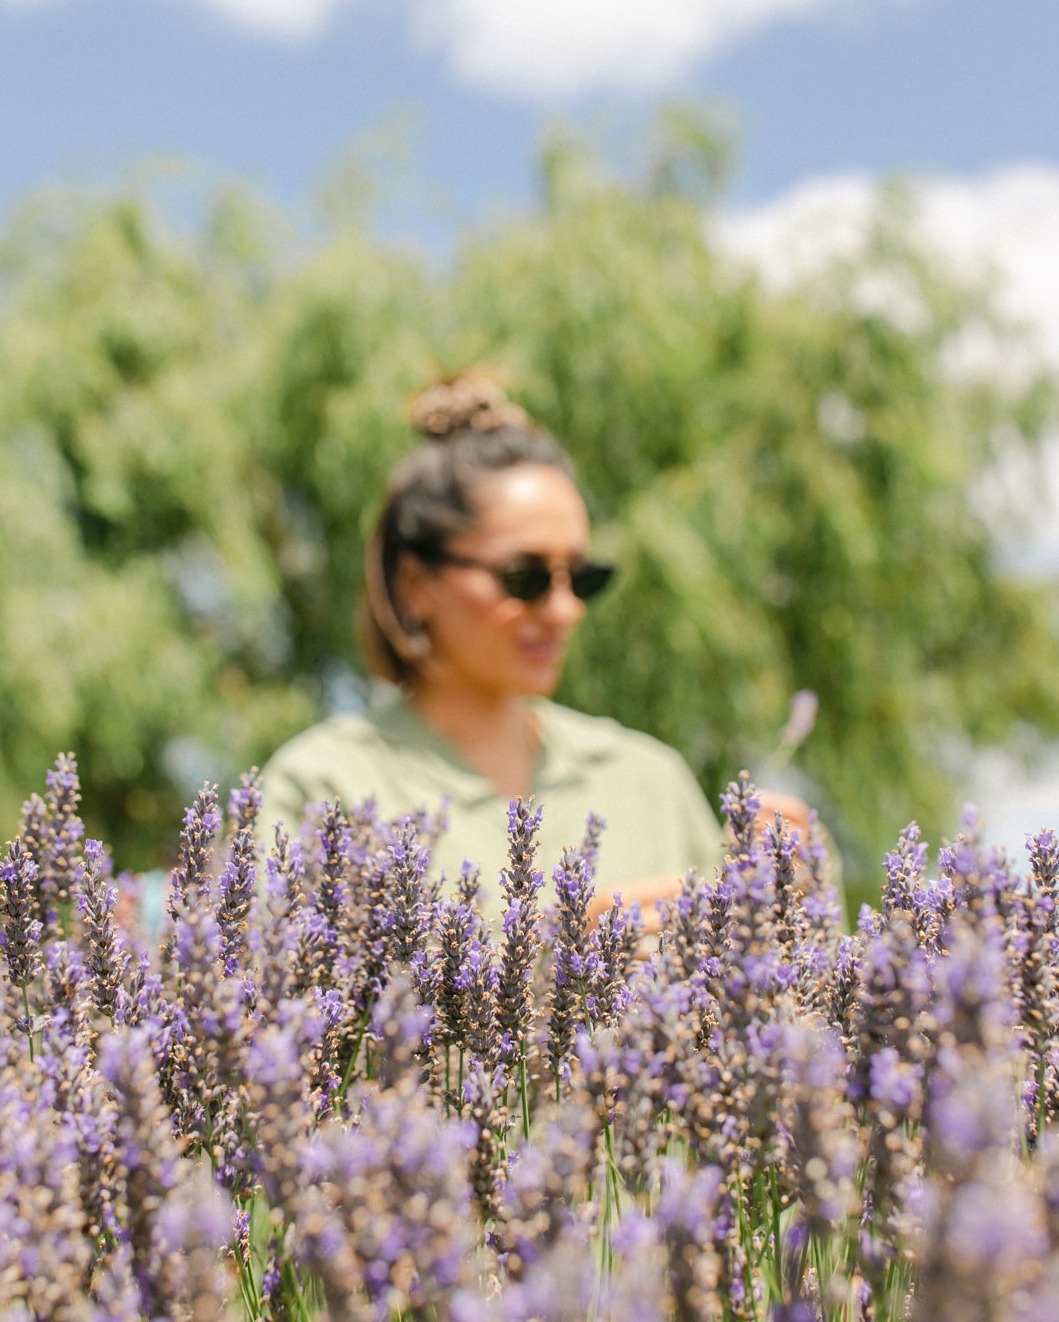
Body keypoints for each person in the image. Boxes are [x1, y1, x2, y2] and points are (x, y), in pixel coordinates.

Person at [258, 370, 811, 925]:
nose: (565, 610)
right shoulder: (326, 788)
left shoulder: (650, 780)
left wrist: (781, 912)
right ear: (415, 585)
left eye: (582, 577)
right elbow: (262, 999)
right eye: (525, 578)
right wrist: (563, 971)